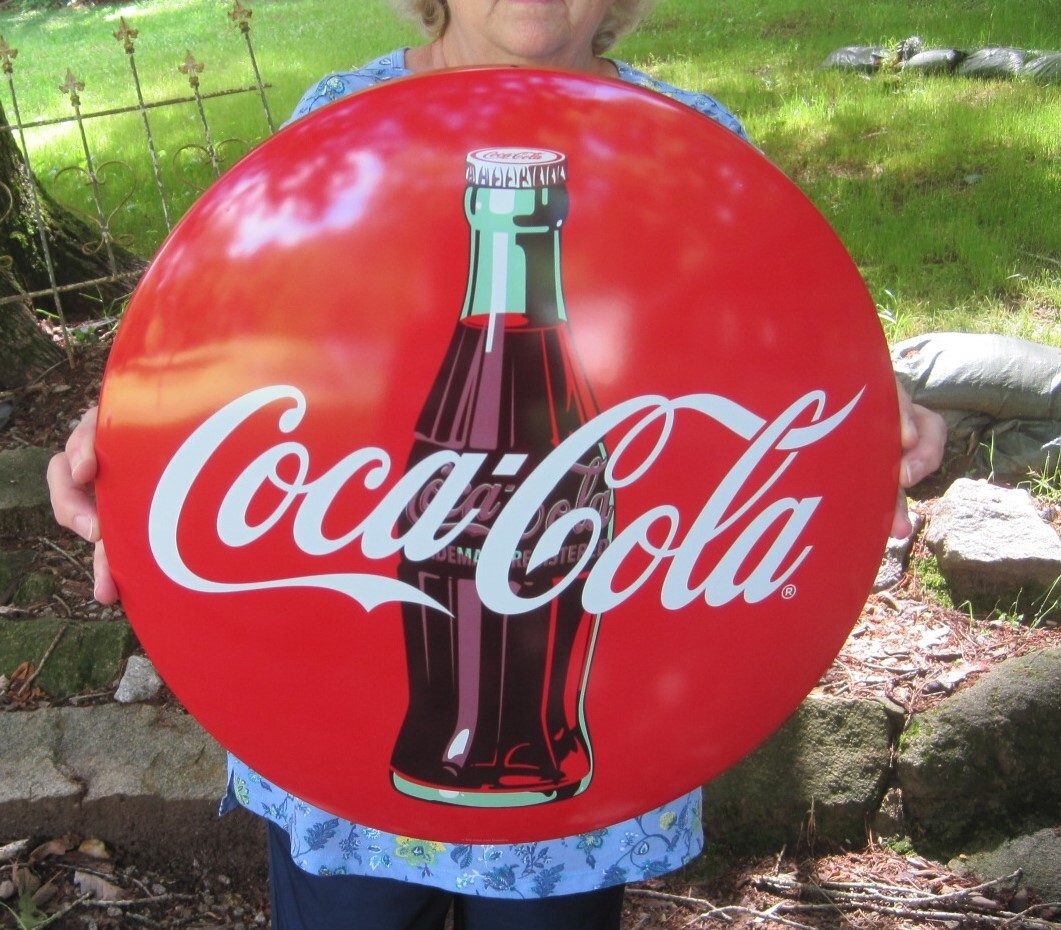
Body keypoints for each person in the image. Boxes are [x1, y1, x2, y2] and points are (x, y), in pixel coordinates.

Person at [48, 1, 948, 927]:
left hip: (578, 803)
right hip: (335, 746)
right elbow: (246, 341)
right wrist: (129, 435)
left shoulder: (689, 144)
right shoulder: (341, 122)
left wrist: (872, 423)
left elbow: (772, 365)